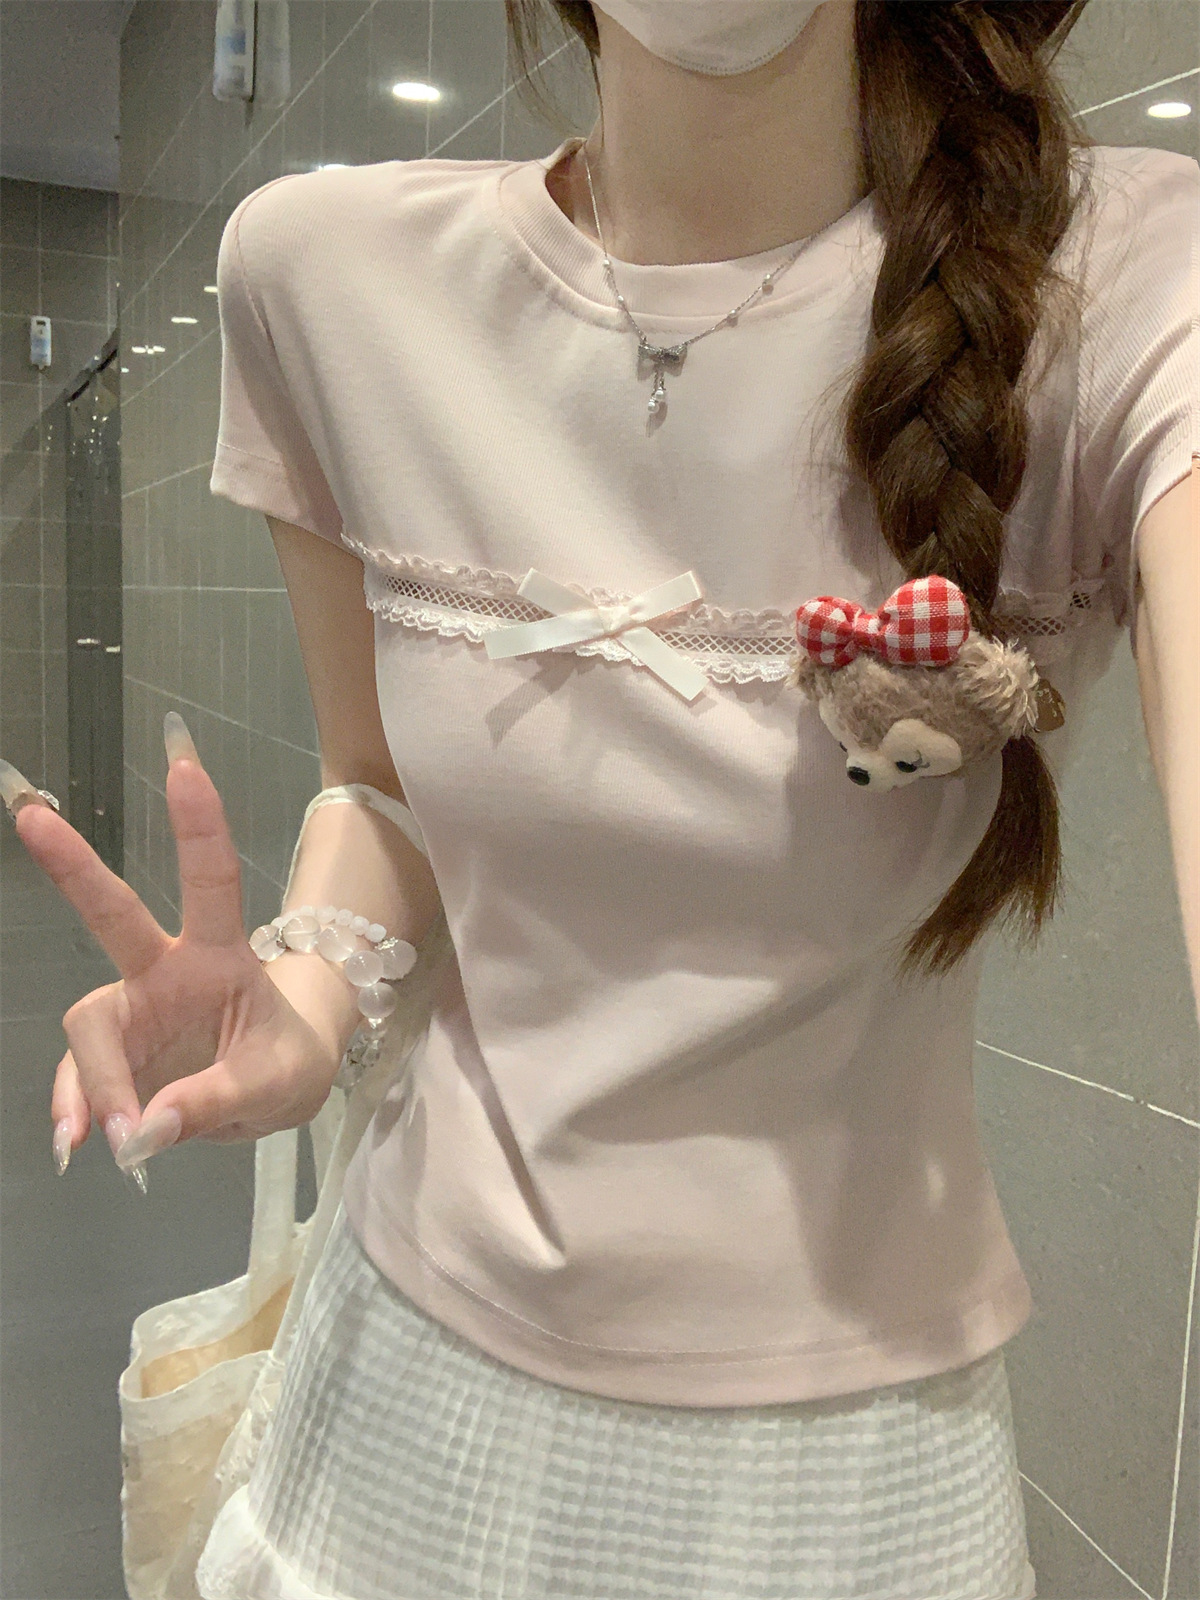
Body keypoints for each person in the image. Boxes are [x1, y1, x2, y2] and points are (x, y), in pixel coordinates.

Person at [4, 1, 1197, 1595]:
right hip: (401, 1398)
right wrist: (311, 992)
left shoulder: (1122, 279)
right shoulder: (324, 273)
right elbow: (382, 788)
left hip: (857, 1475)